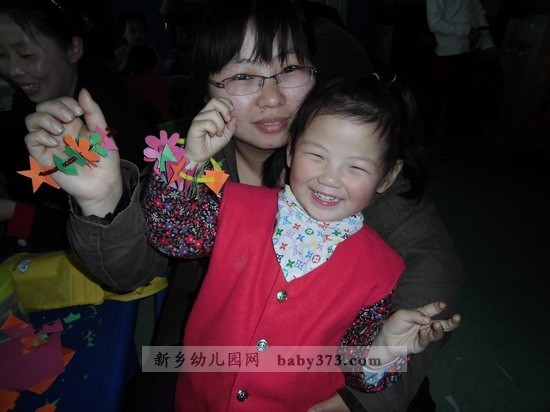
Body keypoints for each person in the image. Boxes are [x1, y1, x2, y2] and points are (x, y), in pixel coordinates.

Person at [24, 0, 464, 410]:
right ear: (205, 88)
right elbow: (129, 271)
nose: (271, 98)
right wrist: (101, 198)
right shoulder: (189, 160)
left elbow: (431, 276)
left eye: (288, 69)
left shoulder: (357, 160)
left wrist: (358, 399)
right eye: (241, 76)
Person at [143, 75, 460, 410]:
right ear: (291, 149)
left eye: (355, 167)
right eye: (317, 155)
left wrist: (384, 349)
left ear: (388, 176)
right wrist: (190, 161)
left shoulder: (382, 271)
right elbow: (169, 235)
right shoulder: (235, 206)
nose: (330, 178)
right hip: (202, 397)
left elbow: (356, 370)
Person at [0, 0, 158, 249]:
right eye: (1, 55)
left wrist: (18, 214)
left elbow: (130, 234)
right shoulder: (22, 106)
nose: (13, 69)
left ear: (74, 50)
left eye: (26, 54)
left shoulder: (117, 118)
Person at [426, 0, 502, 156]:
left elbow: (478, 15)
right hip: (445, 54)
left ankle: (447, 143)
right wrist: (466, 30)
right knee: (438, 103)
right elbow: (434, 23)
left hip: (467, 53)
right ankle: (433, 143)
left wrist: (487, 43)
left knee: (456, 103)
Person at [114, 10, 149, 74]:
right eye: (132, 31)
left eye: (141, 30)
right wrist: (123, 67)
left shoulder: (150, 50)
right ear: (123, 34)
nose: (137, 34)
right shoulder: (120, 52)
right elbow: (115, 74)